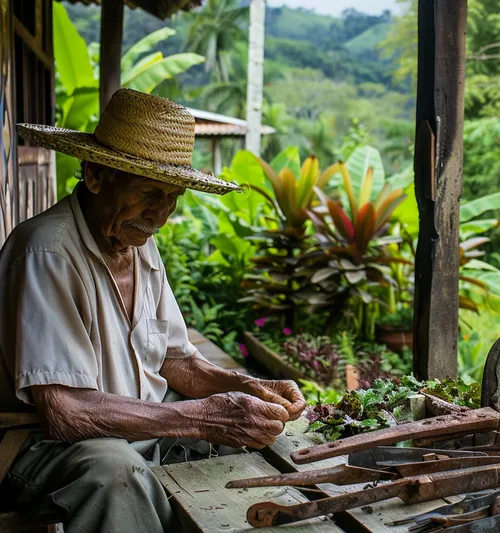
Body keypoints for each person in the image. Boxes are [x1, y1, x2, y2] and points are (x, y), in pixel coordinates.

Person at [0, 89, 306, 532]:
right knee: (115, 472)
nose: (160, 214)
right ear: (95, 176)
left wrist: (251, 387)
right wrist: (201, 417)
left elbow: (176, 360)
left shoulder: (137, 241)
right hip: (39, 442)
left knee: (260, 438)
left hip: (137, 424)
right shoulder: (46, 251)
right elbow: (63, 412)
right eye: (148, 192)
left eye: (172, 196)